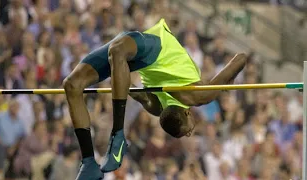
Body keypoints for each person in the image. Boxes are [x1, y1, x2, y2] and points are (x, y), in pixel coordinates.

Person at [63, 18, 247, 180]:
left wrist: (224, 82)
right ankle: (116, 137)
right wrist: (227, 81)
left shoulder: (194, 98)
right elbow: (240, 58)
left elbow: (240, 58)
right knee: (117, 50)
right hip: (146, 49)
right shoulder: (162, 105)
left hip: (143, 53)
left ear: (187, 112)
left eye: (189, 131)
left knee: (72, 84)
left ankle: (90, 160)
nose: (192, 131)